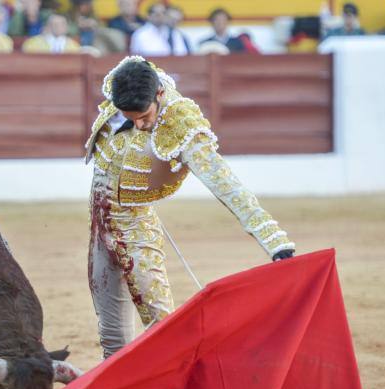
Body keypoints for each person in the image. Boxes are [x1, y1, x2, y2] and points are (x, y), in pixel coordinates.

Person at [85, 56, 295, 358]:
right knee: (112, 339)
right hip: (99, 233)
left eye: (144, 116)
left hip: (136, 232)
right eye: (130, 117)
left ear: (159, 94)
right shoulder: (126, 92)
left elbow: (225, 183)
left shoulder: (182, 124)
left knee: (163, 330)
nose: (139, 125)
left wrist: (274, 241)